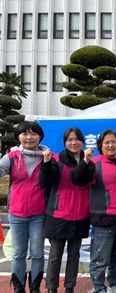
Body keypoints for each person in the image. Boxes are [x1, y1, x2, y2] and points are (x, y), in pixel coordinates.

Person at [70, 129, 116, 293]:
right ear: (100, 145)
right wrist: (85, 161)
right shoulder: (95, 163)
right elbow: (77, 179)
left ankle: (115, 284)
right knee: (100, 257)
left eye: (114, 141)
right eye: (106, 142)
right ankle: (98, 287)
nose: (110, 145)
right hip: (104, 217)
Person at [39, 127, 91, 293]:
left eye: (77, 139)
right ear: (65, 142)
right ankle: (51, 288)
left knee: (74, 256)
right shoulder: (55, 159)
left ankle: (70, 288)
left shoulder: (88, 160)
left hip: (81, 214)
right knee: (55, 256)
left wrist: (84, 162)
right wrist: (46, 164)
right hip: (58, 213)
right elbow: (45, 182)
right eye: (70, 139)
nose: (74, 142)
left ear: (82, 141)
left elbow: (84, 180)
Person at [0, 121, 48, 293]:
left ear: (40, 136)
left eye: (33, 133)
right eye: (24, 134)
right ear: (18, 137)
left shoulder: (48, 157)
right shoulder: (11, 157)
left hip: (39, 213)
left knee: (37, 253)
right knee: (18, 253)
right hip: (17, 213)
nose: (29, 137)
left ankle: (35, 287)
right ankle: (18, 288)